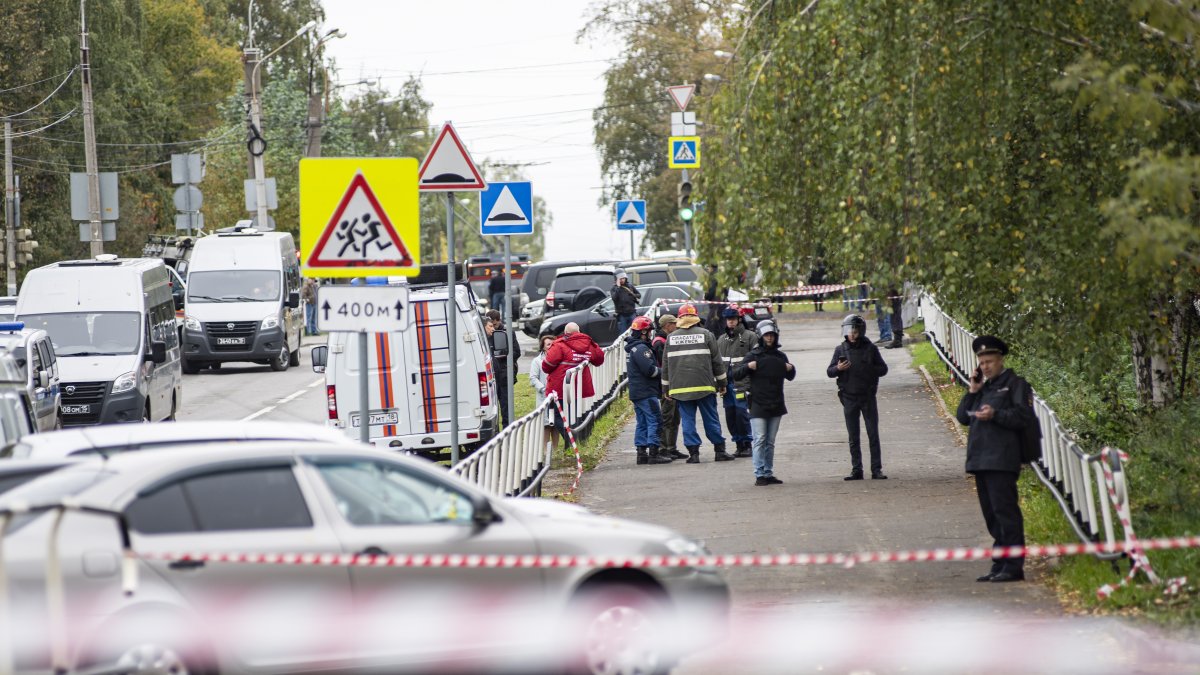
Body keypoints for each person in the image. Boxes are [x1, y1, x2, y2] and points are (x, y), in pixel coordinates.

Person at [955, 336, 1034, 583]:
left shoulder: (1015, 385)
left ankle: (1013, 566)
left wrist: (996, 414)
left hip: (1002, 458)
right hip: (980, 459)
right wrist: (972, 391)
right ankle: (1000, 563)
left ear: (1000, 360)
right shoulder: (984, 388)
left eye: (989, 361)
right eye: (982, 362)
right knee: (991, 515)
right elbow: (963, 418)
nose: (985, 366)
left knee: (1005, 513)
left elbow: (1023, 417)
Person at [662, 303, 734, 464]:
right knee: (711, 418)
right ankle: (719, 450)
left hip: (680, 389)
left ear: (680, 319)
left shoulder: (671, 338)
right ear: (695, 318)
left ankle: (693, 454)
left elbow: (666, 366)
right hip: (705, 386)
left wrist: (666, 388)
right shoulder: (706, 335)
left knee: (688, 421)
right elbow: (717, 362)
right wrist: (722, 382)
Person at [827, 314, 890, 480]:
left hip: (867, 396)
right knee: (853, 436)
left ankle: (876, 469)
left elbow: (883, 369)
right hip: (849, 397)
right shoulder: (841, 350)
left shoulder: (870, 349)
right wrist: (839, 368)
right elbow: (830, 372)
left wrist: (870, 367)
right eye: (849, 331)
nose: (852, 334)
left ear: (860, 331)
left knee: (872, 434)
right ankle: (857, 469)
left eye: (855, 331)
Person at [733, 320, 795, 485]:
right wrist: (748, 367)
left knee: (770, 441)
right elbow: (736, 373)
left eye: (772, 335)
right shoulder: (753, 355)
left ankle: (768, 472)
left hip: (776, 403)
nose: (769, 338)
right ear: (761, 336)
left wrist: (791, 368)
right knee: (760, 438)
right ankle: (759, 473)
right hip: (758, 403)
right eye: (767, 335)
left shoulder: (780, 356)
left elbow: (791, 376)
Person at [626, 316, 672, 465]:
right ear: (643, 332)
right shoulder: (641, 349)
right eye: (649, 331)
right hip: (646, 392)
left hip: (637, 392)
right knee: (655, 420)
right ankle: (653, 453)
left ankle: (641, 454)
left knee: (643, 422)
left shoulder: (633, 348)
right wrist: (665, 372)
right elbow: (650, 371)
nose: (651, 334)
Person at [717, 305, 756, 457]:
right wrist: (719, 384)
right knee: (730, 415)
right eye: (728, 319)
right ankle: (738, 443)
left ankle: (747, 443)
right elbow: (717, 363)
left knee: (742, 414)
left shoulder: (750, 337)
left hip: (743, 384)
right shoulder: (722, 340)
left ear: (739, 319)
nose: (730, 322)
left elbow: (756, 359)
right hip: (727, 385)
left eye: (733, 319)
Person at [652, 314, 687, 460]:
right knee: (667, 417)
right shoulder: (659, 342)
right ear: (667, 325)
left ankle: (672, 448)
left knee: (675, 418)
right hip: (666, 386)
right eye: (674, 324)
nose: (676, 326)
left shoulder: (667, 340)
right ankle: (663, 448)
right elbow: (665, 365)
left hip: (674, 384)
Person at [485, 309, 521, 428]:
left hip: (504, 374)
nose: (493, 328)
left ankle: (508, 430)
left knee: (506, 406)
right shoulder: (484, 335)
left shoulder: (507, 332)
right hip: (491, 376)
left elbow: (516, 352)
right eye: (490, 325)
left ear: (498, 321)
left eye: (494, 325)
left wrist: (502, 356)